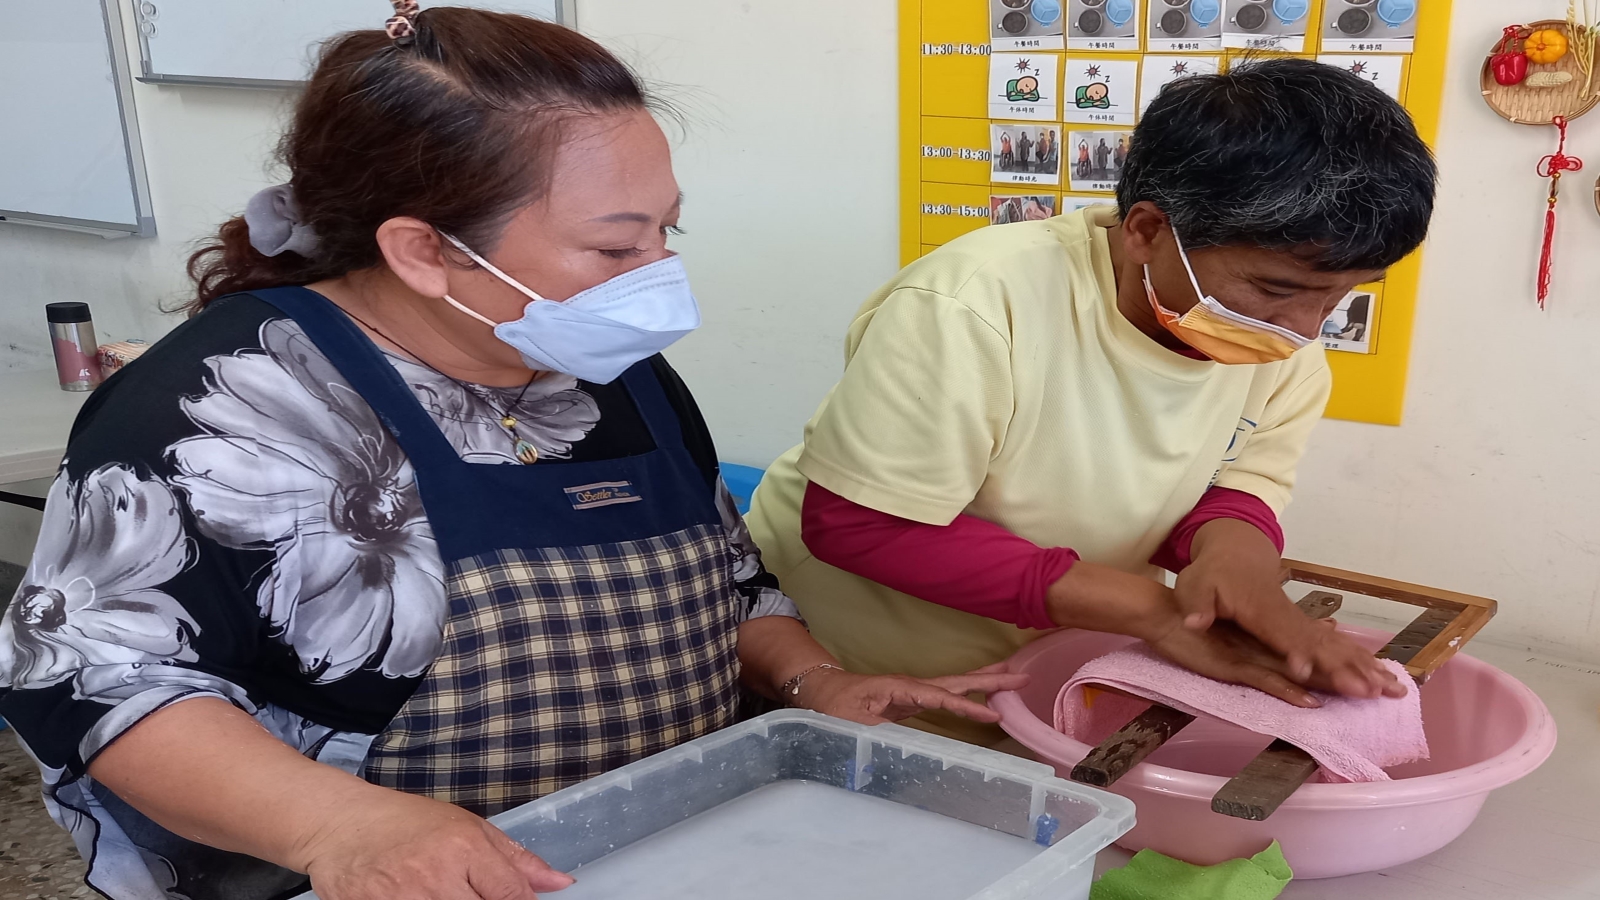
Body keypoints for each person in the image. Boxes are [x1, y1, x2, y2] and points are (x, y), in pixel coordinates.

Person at [0, 8, 1022, 900]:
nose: (657, 275)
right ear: (423, 250)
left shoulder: (608, 374)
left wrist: (809, 682)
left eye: (668, 231)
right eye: (615, 247)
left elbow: (731, 584)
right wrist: (336, 827)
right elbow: (96, 676)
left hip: (664, 853)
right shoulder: (219, 409)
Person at [747, 58, 1436, 746]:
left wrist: (1235, 562)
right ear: (1146, 230)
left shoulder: (1280, 349)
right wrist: (1157, 612)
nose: (1306, 328)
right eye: (1276, 289)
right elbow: (862, 526)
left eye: (1344, 293)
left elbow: (1238, 481)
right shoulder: (976, 305)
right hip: (847, 670)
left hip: (1042, 658)